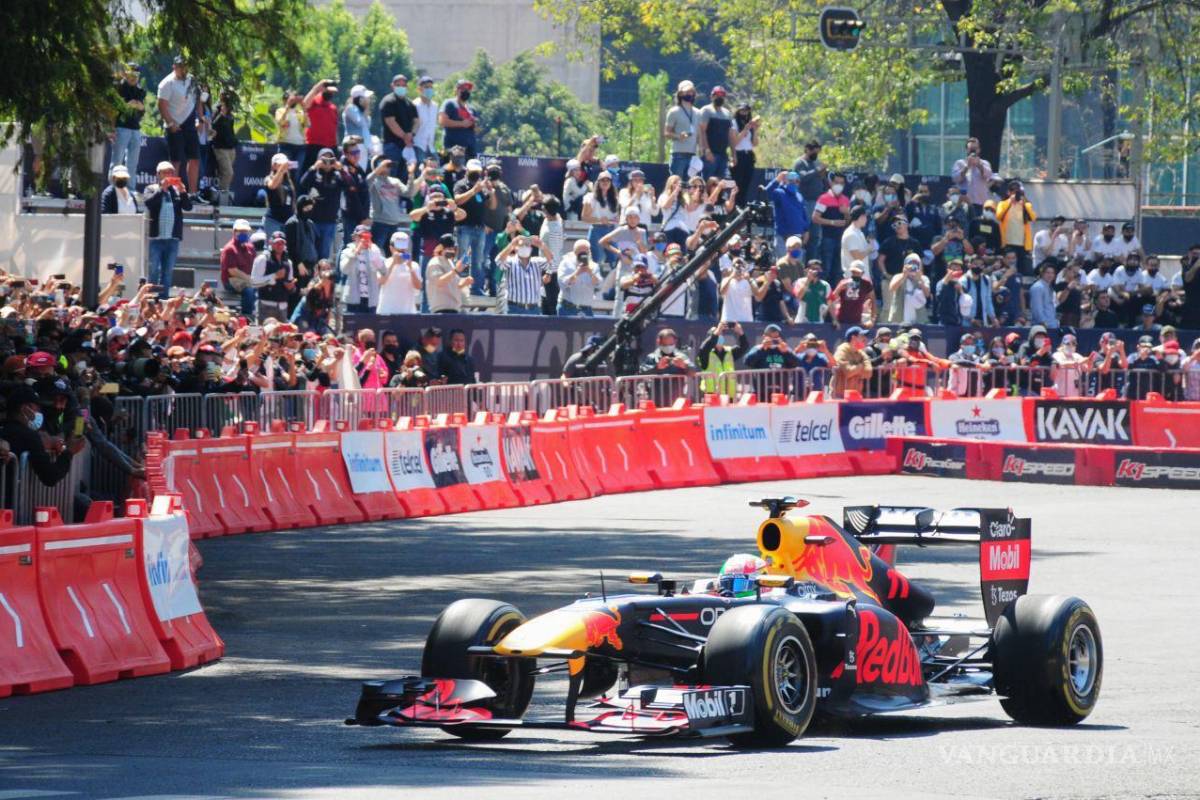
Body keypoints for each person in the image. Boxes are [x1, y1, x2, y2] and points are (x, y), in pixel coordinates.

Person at [143, 161, 192, 297]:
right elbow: (149, 203)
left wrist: (183, 193)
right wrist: (162, 189)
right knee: (153, 270)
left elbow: (188, 207)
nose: (169, 175)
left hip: (172, 239)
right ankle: (151, 299)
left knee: (168, 271)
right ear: (158, 174)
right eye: (165, 172)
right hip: (156, 239)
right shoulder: (151, 188)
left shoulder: (176, 191)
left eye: (171, 172)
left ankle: (163, 300)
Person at [157, 55, 200, 195]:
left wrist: (199, 118)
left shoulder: (192, 79)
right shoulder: (166, 83)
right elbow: (162, 106)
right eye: (179, 66)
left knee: (194, 158)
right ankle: (173, 192)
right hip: (174, 124)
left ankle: (193, 193)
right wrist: (170, 123)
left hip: (189, 123)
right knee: (176, 161)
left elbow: (197, 99)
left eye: (184, 66)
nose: (182, 69)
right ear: (174, 66)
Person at [453, 159, 496, 296]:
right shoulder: (460, 184)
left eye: (477, 172)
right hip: (464, 228)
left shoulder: (482, 187)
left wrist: (491, 191)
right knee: (462, 258)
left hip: (479, 229)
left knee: (478, 261)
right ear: (467, 171)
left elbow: (492, 206)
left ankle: (476, 289)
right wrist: (473, 191)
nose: (475, 174)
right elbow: (457, 200)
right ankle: (456, 288)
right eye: (473, 172)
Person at [298, 147, 347, 263]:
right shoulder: (313, 174)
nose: (327, 162)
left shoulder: (337, 176)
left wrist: (342, 170)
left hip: (329, 221)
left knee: (323, 255)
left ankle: (321, 277)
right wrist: (315, 167)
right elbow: (302, 183)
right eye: (324, 159)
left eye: (331, 159)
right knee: (311, 252)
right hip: (312, 220)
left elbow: (350, 186)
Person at [367, 154, 415, 256]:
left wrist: (411, 174)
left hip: (394, 223)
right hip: (379, 222)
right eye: (386, 165)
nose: (388, 168)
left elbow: (408, 193)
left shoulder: (395, 181)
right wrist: (378, 170)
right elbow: (365, 184)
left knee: (394, 255)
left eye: (389, 165)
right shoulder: (374, 180)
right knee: (374, 253)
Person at [497, 234, 548, 315]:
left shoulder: (537, 262)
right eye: (521, 245)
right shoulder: (510, 262)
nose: (524, 247)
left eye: (527, 245)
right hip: (514, 308)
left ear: (531, 249)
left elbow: (553, 263)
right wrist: (512, 244)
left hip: (534, 309)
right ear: (516, 248)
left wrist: (541, 245)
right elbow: (499, 261)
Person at [812, 173, 850, 280]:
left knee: (838, 270)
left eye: (842, 183)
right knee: (826, 269)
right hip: (827, 238)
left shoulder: (846, 200)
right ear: (831, 183)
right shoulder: (823, 198)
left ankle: (834, 295)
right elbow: (815, 218)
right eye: (836, 182)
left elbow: (848, 222)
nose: (839, 185)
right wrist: (832, 222)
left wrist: (847, 213)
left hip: (841, 239)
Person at [112, 63, 146, 185]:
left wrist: (139, 107)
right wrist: (129, 104)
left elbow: (141, 110)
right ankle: (112, 188)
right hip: (121, 128)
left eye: (136, 75)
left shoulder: (140, 90)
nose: (134, 77)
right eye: (131, 74)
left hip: (136, 129)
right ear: (126, 74)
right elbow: (115, 108)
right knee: (117, 161)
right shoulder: (118, 88)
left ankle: (130, 189)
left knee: (133, 162)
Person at [339, 226, 385, 313]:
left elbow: (384, 271)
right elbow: (344, 270)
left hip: (371, 300)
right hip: (353, 299)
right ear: (354, 237)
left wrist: (376, 256)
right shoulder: (347, 252)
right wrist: (356, 252)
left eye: (366, 237)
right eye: (360, 236)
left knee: (370, 326)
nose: (363, 240)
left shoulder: (375, 251)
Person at [765, 170, 810, 260]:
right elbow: (767, 193)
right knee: (783, 265)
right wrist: (777, 179)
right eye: (791, 180)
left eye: (796, 181)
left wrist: (806, 230)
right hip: (783, 236)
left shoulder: (799, 195)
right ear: (786, 181)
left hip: (797, 236)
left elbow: (803, 214)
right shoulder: (779, 192)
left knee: (796, 265)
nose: (794, 183)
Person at [696, 321, 748, 398]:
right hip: (711, 397)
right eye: (718, 334)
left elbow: (744, 346)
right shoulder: (705, 354)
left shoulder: (729, 352)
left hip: (729, 397)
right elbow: (705, 347)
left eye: (721, 334)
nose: (720, 336)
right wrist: (717, 331)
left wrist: (740, 332)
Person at [253, 232, 297, 321]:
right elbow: (254, 282)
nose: (279, 245)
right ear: (271, 243)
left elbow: (290, 283)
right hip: (266, 306)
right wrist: (273, 277)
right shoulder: (262, 259)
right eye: (276, 243)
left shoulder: (288, 263)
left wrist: (291, 287)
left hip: (283, 307)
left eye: (282, 243)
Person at [376, 231, 422, 316]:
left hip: (408, 312)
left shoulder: (414, 265)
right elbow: (381, 281)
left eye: (403, 251)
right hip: (386, 311)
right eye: (398, 250)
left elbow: (418, 286)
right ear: (391, 248)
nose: (401, 253)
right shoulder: (384, 263)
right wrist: (393, 263)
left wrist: (410, 267)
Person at [338, 136, 371, 254]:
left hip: (361, 214)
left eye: (358, 152)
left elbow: (365, 193)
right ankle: (341, 271)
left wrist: (366, 215)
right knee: (348, 246)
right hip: (351, 214)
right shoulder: (344, 169)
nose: (356, 155)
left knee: (353, 245)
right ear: (346, 154)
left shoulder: (358, 168)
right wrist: (362, 217)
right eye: (353, 153)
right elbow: (352, 194)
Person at [996, 181, 1036, 274]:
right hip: (1008, 242)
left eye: (1017, 191)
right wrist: (1010, 201)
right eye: (1012, 191)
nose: (1015, 193)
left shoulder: (1026, 205)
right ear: (1008, 192)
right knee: (1007, 267)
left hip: (1022, 243)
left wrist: (1024, 202)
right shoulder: (1003, 203)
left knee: (1021, 268)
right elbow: (998, 216)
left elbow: (1033, 217)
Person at [220, 218, 259, 316]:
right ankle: (247, 316)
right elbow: (232, 271)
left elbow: (256, 264)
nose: (243, 233)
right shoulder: (229, 249)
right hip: (231, 280)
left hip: (247, 278)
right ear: (234, 232)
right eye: (241, 231)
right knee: (249, 290)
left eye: (245, 231)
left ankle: (258, 315)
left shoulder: (250, 247)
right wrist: (249, 279)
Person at [426, 234, 472, 313]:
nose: (451, 250)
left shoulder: (450, 262)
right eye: (448, 248)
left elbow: (453, 285)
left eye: (453, 248)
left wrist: (464, 283)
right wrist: (456, 270)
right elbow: (439, 282)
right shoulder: (435, 262)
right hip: (441, 310)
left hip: (454, 309)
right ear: (441, 248)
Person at [301, 79, 339, 174]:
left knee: (331, 174)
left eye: (332, 92)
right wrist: (317, 87)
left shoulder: (333, 108)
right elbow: (304, 104)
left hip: (331, 147)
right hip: (314, 146)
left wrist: (336, 147)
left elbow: (335, 129)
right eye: (328, 91)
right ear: (323, 90)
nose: (330, 94)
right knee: (310, 172)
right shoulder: (314, 102)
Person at [583, 170, 621, 267]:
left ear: (611, 183)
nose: (605, 182)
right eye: (602, 180)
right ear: (598, 182)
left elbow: (618, 217)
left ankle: (612, 281)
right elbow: (584, 217)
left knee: (614, 259)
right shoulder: (590, 197)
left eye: (607, 180)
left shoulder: (615, 199)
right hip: (596, 230)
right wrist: (600, 220)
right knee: (596, 261)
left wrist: (616, 219)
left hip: (611, 230)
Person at [664, 80, 699, 178]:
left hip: (693, 155)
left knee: (691, 186)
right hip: (678, 154)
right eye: (687, 92)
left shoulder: (697, 112)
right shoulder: (674, 111)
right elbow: (666, 133)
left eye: (692, 91)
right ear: (680, 94)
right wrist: (678, 136)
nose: (690, 94)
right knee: (676, 184)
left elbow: (700, 135)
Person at [697, 86, 733, 179]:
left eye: (722, 95)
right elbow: (702, 131)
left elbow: (730, 135)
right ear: (712, 96)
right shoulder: (706, 110)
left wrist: (733, 153)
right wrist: (707, 151)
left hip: (723, 154)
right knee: (708, 181)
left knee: (720, 183)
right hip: (710, 154)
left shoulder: (727, 113)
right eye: (717, 95)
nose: (719, 97)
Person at [557, 239, 599, 317]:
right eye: (580, 253)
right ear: (574, 252)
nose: (583, 256)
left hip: (586, 309)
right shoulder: (565, 264)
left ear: (589, 252)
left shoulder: (594, 266)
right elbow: (563, 284)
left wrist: (590, 272)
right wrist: (577, 272)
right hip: (567, 309)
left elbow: (599, 285)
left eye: (585, 252)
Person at [951, 137, 993, 215]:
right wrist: (967, 167)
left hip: (981, 204)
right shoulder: (959, 163)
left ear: (979, 150)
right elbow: (955, 178)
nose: (972, 151)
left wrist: (979, 166)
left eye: (975, 149)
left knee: (979, 227)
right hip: (964, 205)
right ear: (967, 150)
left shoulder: (985, 163)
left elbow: (989, 175)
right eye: (971, 149)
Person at [887, 254, 932, 325]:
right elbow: (891, 289)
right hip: (900, 317)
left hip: (918, 317)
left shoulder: (924, 278)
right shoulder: (898, 276)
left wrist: (919, 279)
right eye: (910, 263)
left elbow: (927, 294)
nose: (913, 266)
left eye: (916, 264)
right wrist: (904, 275)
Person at [830, 326, 873, 398]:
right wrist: (861, 366)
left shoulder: (861, 352)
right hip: (839, 395)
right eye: (862, 336)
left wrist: (855, 369)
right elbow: (848, 372)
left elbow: (869, 373)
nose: (865, 339)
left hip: (855, 395)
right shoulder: (842, 350)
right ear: (854, 338)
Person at [439, 79, 478, 157]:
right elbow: (442, 121)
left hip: (469, 149)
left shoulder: (472, 109)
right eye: (463, 89)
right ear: (456, 90)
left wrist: (474, 125)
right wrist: (462, 124)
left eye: (468, 89)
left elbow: (476, 130)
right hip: (452, 148)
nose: (466, 91)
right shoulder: (449, 103)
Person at [729, 104, 760, 204]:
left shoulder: (749, 124)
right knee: (738, 182)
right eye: (742, 111)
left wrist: (754, 130)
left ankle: (742, 203)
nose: (744, 113)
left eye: (746, 111)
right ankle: (735, 204)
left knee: (747, 181)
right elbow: (735, 141)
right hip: (739, 154)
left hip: (749, 155)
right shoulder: (734, 123)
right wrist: (745, 130)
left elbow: (755, 143)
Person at [830, 261, 875, 327]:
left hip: (857, 320)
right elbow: (831, 299)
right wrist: (839, 288)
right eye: (853, 272)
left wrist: (872, 319)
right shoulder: (844, 282)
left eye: (858, 273)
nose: (855, 274)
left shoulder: (866, 284)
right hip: (842, 319)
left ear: (862, 273)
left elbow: (873, 300)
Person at [209, 95, 238, 198]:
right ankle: (223, 195)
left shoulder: (231, 115)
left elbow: (230, 130)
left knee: (224, 174)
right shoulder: (216, 110)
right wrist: (221, 114)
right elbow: (213, 126)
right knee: (229, 173)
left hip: (230, 147)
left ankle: (221, 197)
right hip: (220, 147)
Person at [262, 152, 296, 236]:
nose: (283, 166)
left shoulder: (288, 180)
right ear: (273, 165)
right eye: (279, 164)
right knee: (273, 246)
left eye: (284, 164)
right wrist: (281, 170)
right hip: (273, 220)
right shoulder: (268, 179)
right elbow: (272, 186)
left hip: (288, 220)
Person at [274, 90, 308, 173]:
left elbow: (307, 124)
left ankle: (295, 186)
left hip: (300, 146)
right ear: (284, 100)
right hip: (286, 145)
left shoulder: (299, 112)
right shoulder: (280, 111)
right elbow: (280, 121)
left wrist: (304, 108)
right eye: (290, 99)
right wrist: (287, 107)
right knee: (284, 171)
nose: (293, 101)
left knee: (296, 172)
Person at [343, 84, 375, 158]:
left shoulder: (362, 111)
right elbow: (360, 123)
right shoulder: (350, 108)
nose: (368, 99)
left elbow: (367, 125)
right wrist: (366, 107)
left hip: (364, 147)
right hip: (354, 147)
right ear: (359, 99)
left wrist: (366, 108)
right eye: (365, 98)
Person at [412, 76, 438, 164]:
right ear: (419, 89)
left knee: (437, 172)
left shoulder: (435, 106)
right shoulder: (415, 105)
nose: (429, 89)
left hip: (430, 146)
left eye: (431, 87)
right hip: (418, 144)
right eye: (426, 87)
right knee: (420, 170)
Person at [1029, 262, 1059, 328]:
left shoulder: (1049, 287)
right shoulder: (1038, 287)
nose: (1050, 275)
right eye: (1047, 273)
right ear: (1042, 273)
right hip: (1043, 327)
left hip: (1052, 325)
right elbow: (1037, 308)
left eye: (1052, 273)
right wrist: (1043, 323)